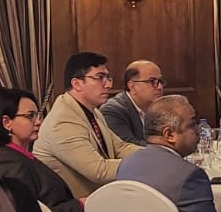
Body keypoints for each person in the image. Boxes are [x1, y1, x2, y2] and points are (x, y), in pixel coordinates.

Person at [34, 52, 141, 198]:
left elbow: (120, 147)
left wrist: (154, 155)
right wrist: (146, 163)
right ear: (77, 84)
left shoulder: (92, 111)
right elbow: (99, 171)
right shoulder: (62, 121)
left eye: (108, 78)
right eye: (100, 78)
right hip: (76, 204)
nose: (109, 85)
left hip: (100, 197)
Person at [100, 60, 165, 146]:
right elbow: (128, 146)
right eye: (152, 81)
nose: (160, 87)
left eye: (160, 81)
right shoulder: (112, 111)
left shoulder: (161, 108)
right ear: (132, 87)